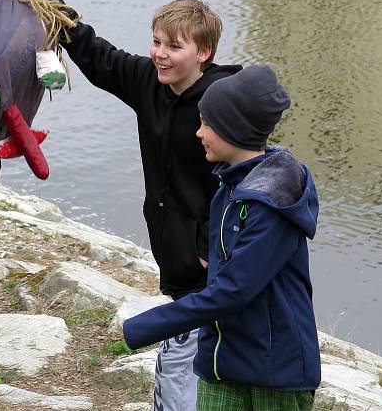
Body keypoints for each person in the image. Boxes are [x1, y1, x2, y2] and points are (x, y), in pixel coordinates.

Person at [5, 0, 241, 411]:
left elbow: (247, 172)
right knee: (199, 364)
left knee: (179, 373)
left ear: (204, 52)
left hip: (212, 262)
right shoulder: (148, 83)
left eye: (175, 46)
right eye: (157, 42)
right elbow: (95, 52)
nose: (161, 54)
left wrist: (212, 239)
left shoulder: (225, 101)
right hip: (177, 257)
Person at [124, 64, 320, 411]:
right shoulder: (228, 189)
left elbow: (233, 290)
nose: (198, 133)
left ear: (236, 130)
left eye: (207, 124)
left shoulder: (271, 204)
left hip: (276, 369)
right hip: (221, 359)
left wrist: (144, 326)